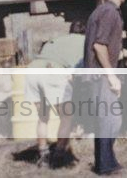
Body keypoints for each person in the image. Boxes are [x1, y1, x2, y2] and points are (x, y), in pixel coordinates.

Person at [83, 0, 127, 175]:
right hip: (102, 74)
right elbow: (99, 46)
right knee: (108, 120)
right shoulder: (111, 13)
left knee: (110, 119)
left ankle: (107, 162)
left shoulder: (99, 11)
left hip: (97, 73)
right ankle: (105, 166)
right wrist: (111, 76)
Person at [25, 21, 86, 167]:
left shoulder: (57, 40)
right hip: (53, 70)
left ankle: (43, 155)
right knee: (66, 117)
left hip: (33, 69)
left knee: (43, 117)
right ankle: (59, 156)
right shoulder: (84, 41)